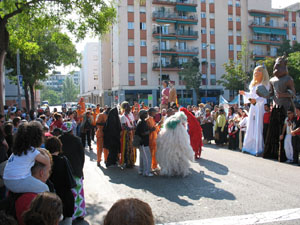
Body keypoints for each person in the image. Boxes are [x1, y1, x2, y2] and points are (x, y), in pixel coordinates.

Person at [3, 121, 50, 193]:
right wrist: (44, 152)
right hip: (17, 181)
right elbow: (46, 161)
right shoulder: (32, 151)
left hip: (7, 179)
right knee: (45, 188)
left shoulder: (19, 150)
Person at [264, 56, 296, 160]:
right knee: (273, 132)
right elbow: (271, 94)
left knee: (284, 131)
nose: (276, 67)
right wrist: (263, 94)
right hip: (276, 108)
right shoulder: (272, 80)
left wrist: (284, 95)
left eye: (278, 65)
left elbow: (293, 93)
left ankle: (285, 155)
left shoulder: (288, 79)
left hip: (285, 108)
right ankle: (271, 153)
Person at [15, 148, 52, 225]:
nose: (49, 175)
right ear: (41, 173)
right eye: (49, 171)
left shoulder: (13, 188)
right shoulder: (39, 200)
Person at [239, 65, 269, 156]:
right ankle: (248, 147)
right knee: (251, 126)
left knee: (258, 126)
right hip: (253, 106)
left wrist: (256, 100)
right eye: (255, 71)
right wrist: (245, 94)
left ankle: (258, 148)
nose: (256, 72)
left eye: (259, 70)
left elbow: (264, 97)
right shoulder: (253, 85)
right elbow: (251, 96)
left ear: (263, 73)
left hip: (260, 106)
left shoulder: (265, 84)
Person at [59, 122, 86, 220]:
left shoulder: (59, 140)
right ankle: (79, 213)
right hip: (76, 170)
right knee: (78, 193)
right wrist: (80, 168)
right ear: (71, 130)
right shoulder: (77, 140)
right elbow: (82, 157)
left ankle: (69, 215)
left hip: (64, 171)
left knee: (67, 194)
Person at [45, 136, 74, 225]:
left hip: (49, 200)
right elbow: (70, 182)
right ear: (59, 146)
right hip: (65, 199)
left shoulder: (45, 162)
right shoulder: (63, 161)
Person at [157, 112, 194, 176]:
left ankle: (170, 169)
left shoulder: (170, 122)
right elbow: (182, 141)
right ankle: (177, 170)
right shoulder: (179, 127)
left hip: (169, 143)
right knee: (178, 157)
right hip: (175, 143)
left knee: (169, 157)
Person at [135, 110, 153, 177]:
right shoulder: (142, 122)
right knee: (147, 158)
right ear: (142, 115)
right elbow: (143, 133)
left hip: (141, 143)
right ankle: (146, 172)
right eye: (145, 113)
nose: (147, 114)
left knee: (142, 157)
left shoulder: (141, 121)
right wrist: (151, 130)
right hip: (143, 143)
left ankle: (141, 170)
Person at [120, 102, 135, 168]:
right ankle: (127, 162)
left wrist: (133, 127)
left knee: (132, 148)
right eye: (128, 106)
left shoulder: (130, 114)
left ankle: (131, 162)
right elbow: (123, 126)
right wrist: (131, 128)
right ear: (125, 108)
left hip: (131, 133)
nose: (129, 108)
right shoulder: (123, 117)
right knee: (127, 148)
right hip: (126, 134)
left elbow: (133, 123)